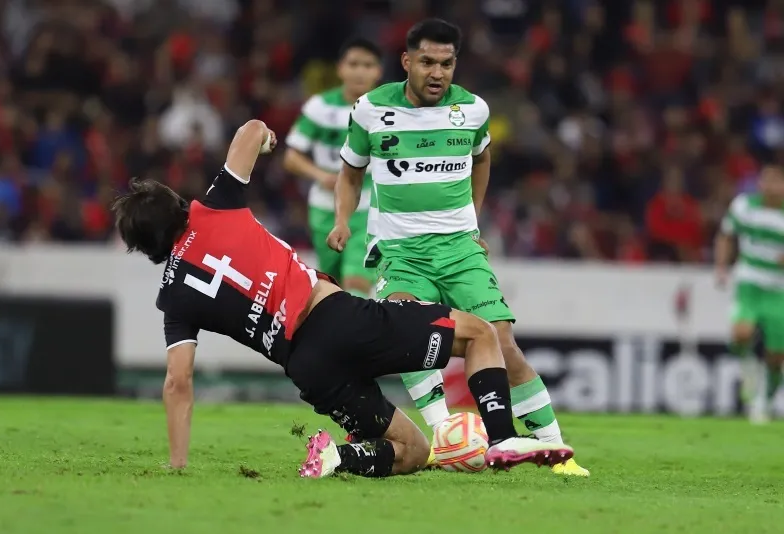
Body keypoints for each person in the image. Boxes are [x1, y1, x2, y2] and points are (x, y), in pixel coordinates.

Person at [112, 119, 574, 478]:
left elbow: (177, 382)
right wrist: (268, 140)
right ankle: (502, 439)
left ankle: (336, 457)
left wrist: (177, 464)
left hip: (308, 369)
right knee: (480, 334)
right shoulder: (215, 207)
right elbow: (250, 130)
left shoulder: (174, 299)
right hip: (338, 319)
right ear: (179, 205)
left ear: (146, 248)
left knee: (413, 451)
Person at [328, 18, 589, 476]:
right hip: (402, 253)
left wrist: (472, 219)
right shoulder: (370, 109)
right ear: (407, 61)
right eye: (427, 62)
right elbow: (351, 173)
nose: (437, 73)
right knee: (410, 335)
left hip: (459, 250)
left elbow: (481, 158)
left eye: (446, 64)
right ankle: (445, 434)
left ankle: (554, 451)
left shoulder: (472, 110)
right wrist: (342, 221)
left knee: (501, 342)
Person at [283, 38, 382, 298]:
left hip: (369, 206)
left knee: (356, 279)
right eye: (353, 64)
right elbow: (291, 156)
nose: (360, 71)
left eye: (367, 65)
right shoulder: (319, 107)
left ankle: (357, 323)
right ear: (340, 68)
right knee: (332, 282)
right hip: (325, 207)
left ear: (378, 71)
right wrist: (321, 175)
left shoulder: (387, 110)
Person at [716, 163, 784, 424]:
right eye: (767, 181)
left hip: (779, 289)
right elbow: (726, 234)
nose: (772, 187)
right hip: (749, 281)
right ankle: (749, 371)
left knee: (776, 356)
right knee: (741, 332)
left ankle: (764, 399)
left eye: (777, 182)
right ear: (760, 184)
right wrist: (722, 267)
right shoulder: (744, 206)